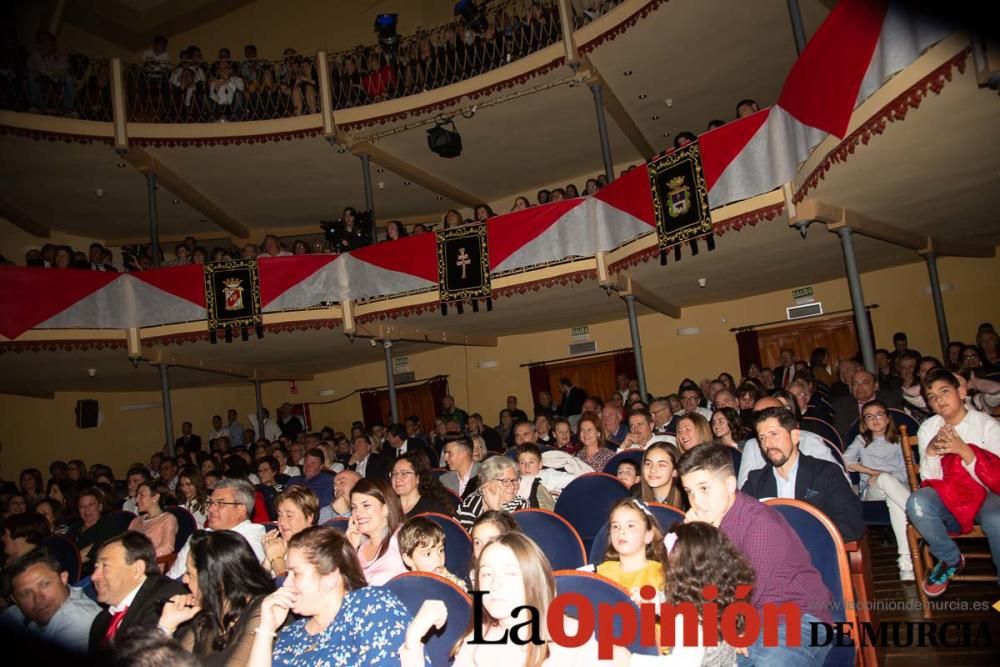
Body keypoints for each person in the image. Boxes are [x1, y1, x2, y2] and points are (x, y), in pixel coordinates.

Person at [677, 443, 833, 665]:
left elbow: (747, 591)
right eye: (689, 492)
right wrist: (695, 540)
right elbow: (692, 586)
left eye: (704, 488)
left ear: (730, 484)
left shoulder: (760, 523)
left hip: (797, 617)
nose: (696, 501)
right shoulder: (708, 522)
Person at [401, 532, 613, 666]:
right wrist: (413, 641)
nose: (494, 584)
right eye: (487, 573)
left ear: (534, 579)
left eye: (510, 573)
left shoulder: (571, 638)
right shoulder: (479, 637)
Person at [247, 526, 412, 666]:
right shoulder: (291, 634)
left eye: (296, 574)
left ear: (330, 578)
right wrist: (266, 630)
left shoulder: (372, 607)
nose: (285, 584)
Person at [906, 368, 1000, 597]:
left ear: (961, 392)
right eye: (932, 397)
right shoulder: (929, 428)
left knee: (997, 519)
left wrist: (964, 452)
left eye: (944, 392)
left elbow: (996, 479)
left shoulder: (986, 425)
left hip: (987, 495)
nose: (939, 400)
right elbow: (931, 481)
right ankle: (950, 559)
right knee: (917, 503)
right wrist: (930, 453)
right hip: (949, 495)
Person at [628, 522, 755, 666]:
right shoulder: (720, 597)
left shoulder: (691, 617)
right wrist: (656, 601)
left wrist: (629, 660)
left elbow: (683, 664)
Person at [743, 407, 865, 543]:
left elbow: (851, 525)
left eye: (774, 434)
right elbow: (740, 524)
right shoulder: (756, 481)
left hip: (816, 556)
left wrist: (798, 538)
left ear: (794, 436)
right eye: (762, 437)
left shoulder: (826, 473)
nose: (767, 444)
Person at [156, 531, 275, 666]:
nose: (184, 579)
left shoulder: (262, 611)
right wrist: (166, 626)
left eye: (190, 574)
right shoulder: (208, 613)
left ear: (217, 581)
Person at [844, 400, 913, 580]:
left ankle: (906, 564)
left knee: (894, 501)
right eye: (869, 417)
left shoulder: (898, 440)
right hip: (872, 489)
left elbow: (908, 469)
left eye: (879, 415)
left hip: (898, 487)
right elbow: (846, 460)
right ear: (864, 422)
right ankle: (916, 512)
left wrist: (886, 476)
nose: (875, 420)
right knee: (882, 480)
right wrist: (874, 473)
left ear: (888, 419)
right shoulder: (861, 440)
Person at [89, 532, 187, 652]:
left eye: (105, 566)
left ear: (137, 569)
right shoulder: (101, 621)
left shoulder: (166, 601)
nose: (94, 577)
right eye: (96, 567)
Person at [3, 548, 101, 653]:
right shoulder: (13, 614)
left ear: (63, 578)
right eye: (26, 593)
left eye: (45, 585)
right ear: (15, 600)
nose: (38, 599)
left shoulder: (82, 623)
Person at [167, 478, 266, 579]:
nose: (210, 509)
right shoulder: (199, 536)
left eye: (220, 503)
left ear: (240, 509)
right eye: (210, 502)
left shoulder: (253, 537)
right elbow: (173, 576)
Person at [596, 498, 667, 602]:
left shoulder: (661, 575)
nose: (621, 531)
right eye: (615, 526)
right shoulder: (602, 573)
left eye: (630, 526)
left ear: (648, 535)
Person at [345, 478, 406, 585]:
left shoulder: (402, 538)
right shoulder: (360, 548)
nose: (358, 513)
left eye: (366, 505)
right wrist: (351, 549)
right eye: (354, 507)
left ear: (386, 509)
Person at [455, 454, 529, 530]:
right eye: (505, 481)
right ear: (487, 483)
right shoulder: (471, 504)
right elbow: (467, 539)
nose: (513, 486)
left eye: (515, 480)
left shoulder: (520, 504)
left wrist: (495, 509)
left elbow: (512, 538)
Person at [262, 486, 318, 577]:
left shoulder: (320, 549)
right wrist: (268, 560)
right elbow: (256, 587)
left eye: (289, 516)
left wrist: (276, 559)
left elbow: (292, 588)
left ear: (309, 518)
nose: (282, 522)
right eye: (279, 515)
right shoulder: (280, 545)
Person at [398, 516, 466, 589]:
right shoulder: (407, 587)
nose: (438, 558)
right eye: (428, 554)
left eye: (441, 550)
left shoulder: (446, 577)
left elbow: (465, 595)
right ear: (408, 559)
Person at [127, 479, 178, 562]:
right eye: (137, 496)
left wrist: (140, 558)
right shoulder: (136, 521)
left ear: (155, 497)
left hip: (152, 565)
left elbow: (167, 548)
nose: (136, 500)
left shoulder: (167, 519)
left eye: (141, 495)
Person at [391, 452, 454, 518]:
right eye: (394, 474)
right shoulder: (387, 505)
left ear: (418, 478)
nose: (397, 479)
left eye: (404, 474)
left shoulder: (432, 508)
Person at [73, 488, 120, 575]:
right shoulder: (74, 526)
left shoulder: (108, 525)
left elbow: (92, 551)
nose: (86, 509)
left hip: (93, 573)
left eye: (91, 504)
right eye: (82, 506)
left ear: (100, 507)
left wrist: (68, 562)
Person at [635, 441, 685, 508]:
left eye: (661, 465)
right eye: (648, 464)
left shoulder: (687, 503)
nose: (652, 470)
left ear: (674, 471)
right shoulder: (635, 497)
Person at [439, 434, 480, 500]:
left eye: (449, 453)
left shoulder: (485, 474)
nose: (445, 458)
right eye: (445, 453)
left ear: (464, 453)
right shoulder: (445, 480)